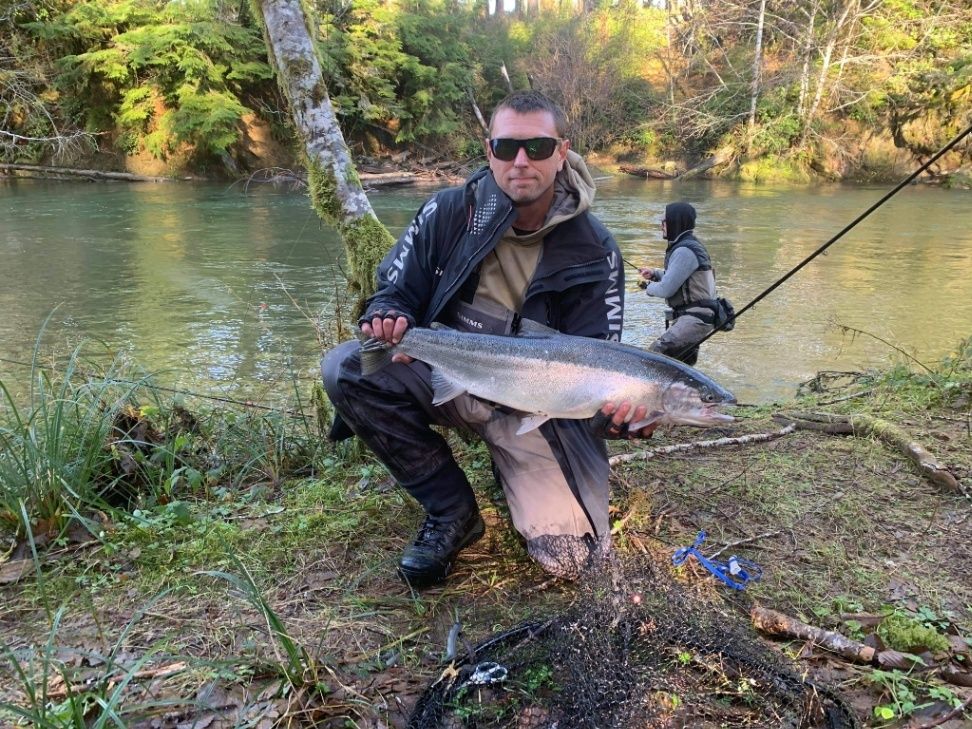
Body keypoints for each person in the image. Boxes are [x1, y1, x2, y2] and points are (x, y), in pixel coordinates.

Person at [321, 90, 656, 589]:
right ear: (489, 152)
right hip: (447, 374)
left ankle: (516, 467)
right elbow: (394, 290)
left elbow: (596, 364)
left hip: (534, 410)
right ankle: (452, 512)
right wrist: (387, 312)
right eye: (507, 148)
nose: (521, 161)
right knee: (347, 367)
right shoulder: (448, 212)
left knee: (573, 562)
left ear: (562, 152)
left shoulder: (596, 249)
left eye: (538, 148)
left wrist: (621, 421)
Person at [639, 201, 718, 366]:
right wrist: (654, 274)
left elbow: (666, 289)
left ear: (676, 222)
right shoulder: (688, 246)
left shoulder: (684, 251)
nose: (661, 226)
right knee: (681, 368)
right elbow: (679, 278)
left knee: (652, 360)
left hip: (694, 320)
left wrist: (648, 287)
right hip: (694, 318)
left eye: (664, 222)